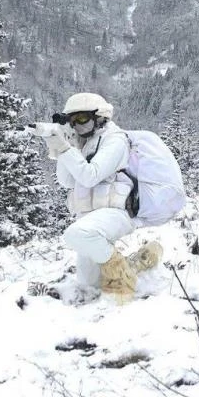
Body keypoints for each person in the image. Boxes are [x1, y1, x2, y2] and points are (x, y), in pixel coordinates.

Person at [31, 93, 161, 303]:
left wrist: (64, 148)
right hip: (90, 216)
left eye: (82, 119)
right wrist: (63, 146)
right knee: (89, 284)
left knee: (75, 234)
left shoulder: (115, 140)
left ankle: (121, 273)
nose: (76, 126)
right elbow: (66, 181)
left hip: (116, 213)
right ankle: (139, 262)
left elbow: (90, 176)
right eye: (72, 121)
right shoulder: (84, 142)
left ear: (100, 117)